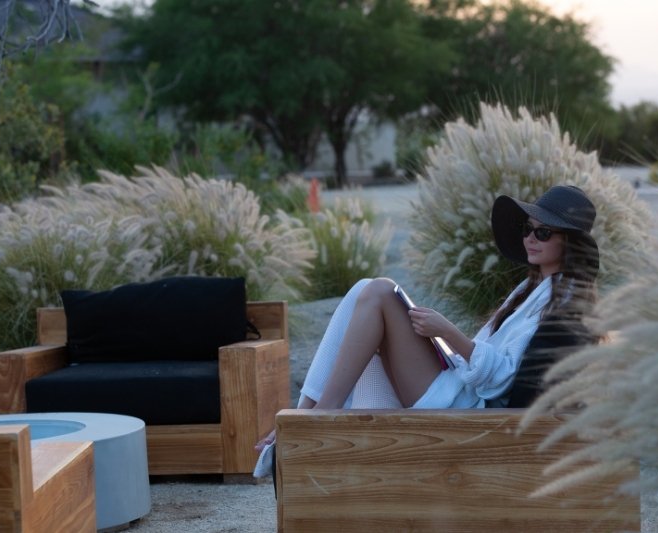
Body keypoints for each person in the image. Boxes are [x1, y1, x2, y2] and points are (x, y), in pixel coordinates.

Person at [254, 185, 600, 475]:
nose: (530, 238)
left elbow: (503, 379)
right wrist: (440, 343)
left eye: (542, 232)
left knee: (378, 291)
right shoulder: (531, 290)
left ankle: (311, 420)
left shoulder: (561, 302)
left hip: (470, 411)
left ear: (569, 242)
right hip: (460, 390)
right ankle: (312, 427)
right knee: (365, 336)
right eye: (527, 228)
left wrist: (449, 333)